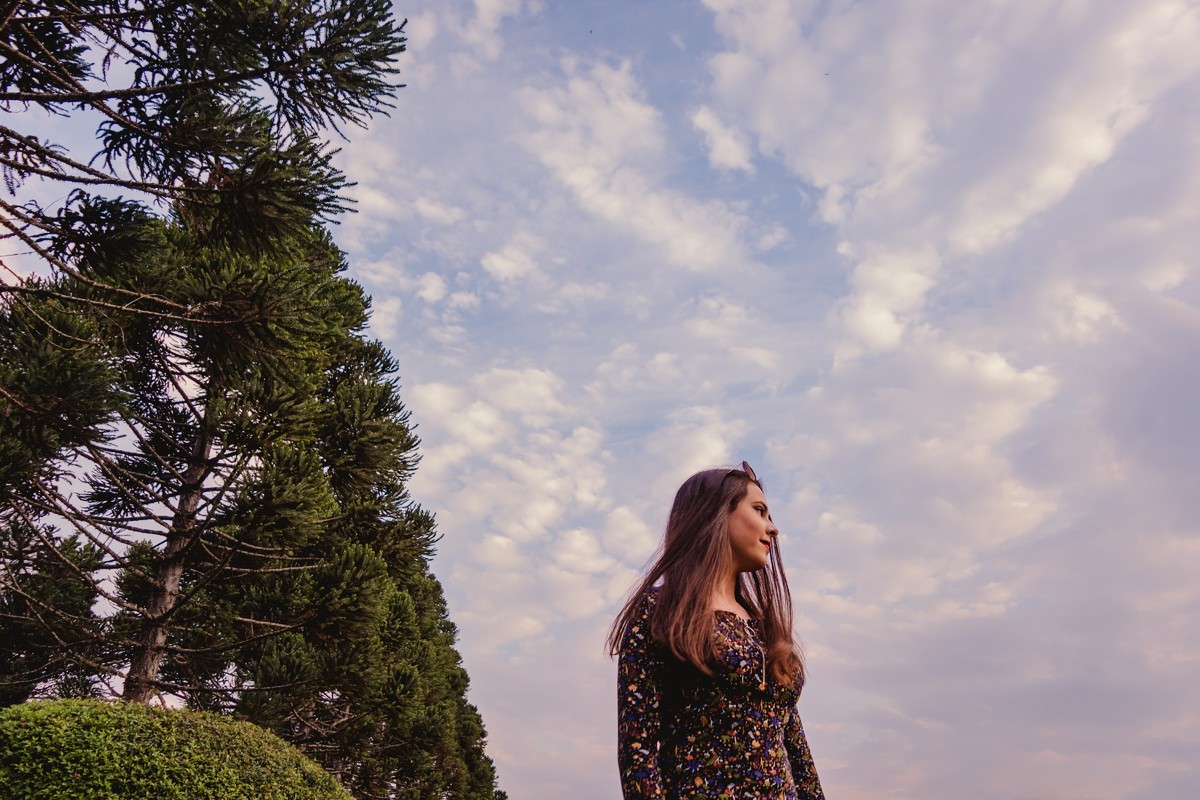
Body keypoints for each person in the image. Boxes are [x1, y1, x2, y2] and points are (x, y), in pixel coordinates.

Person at [609, 462, 824, 800]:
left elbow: (796, 748)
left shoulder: (765, 629)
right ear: (715, 514)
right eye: (760, 511)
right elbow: (639, 749)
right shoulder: (661, 611)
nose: (774, 528)